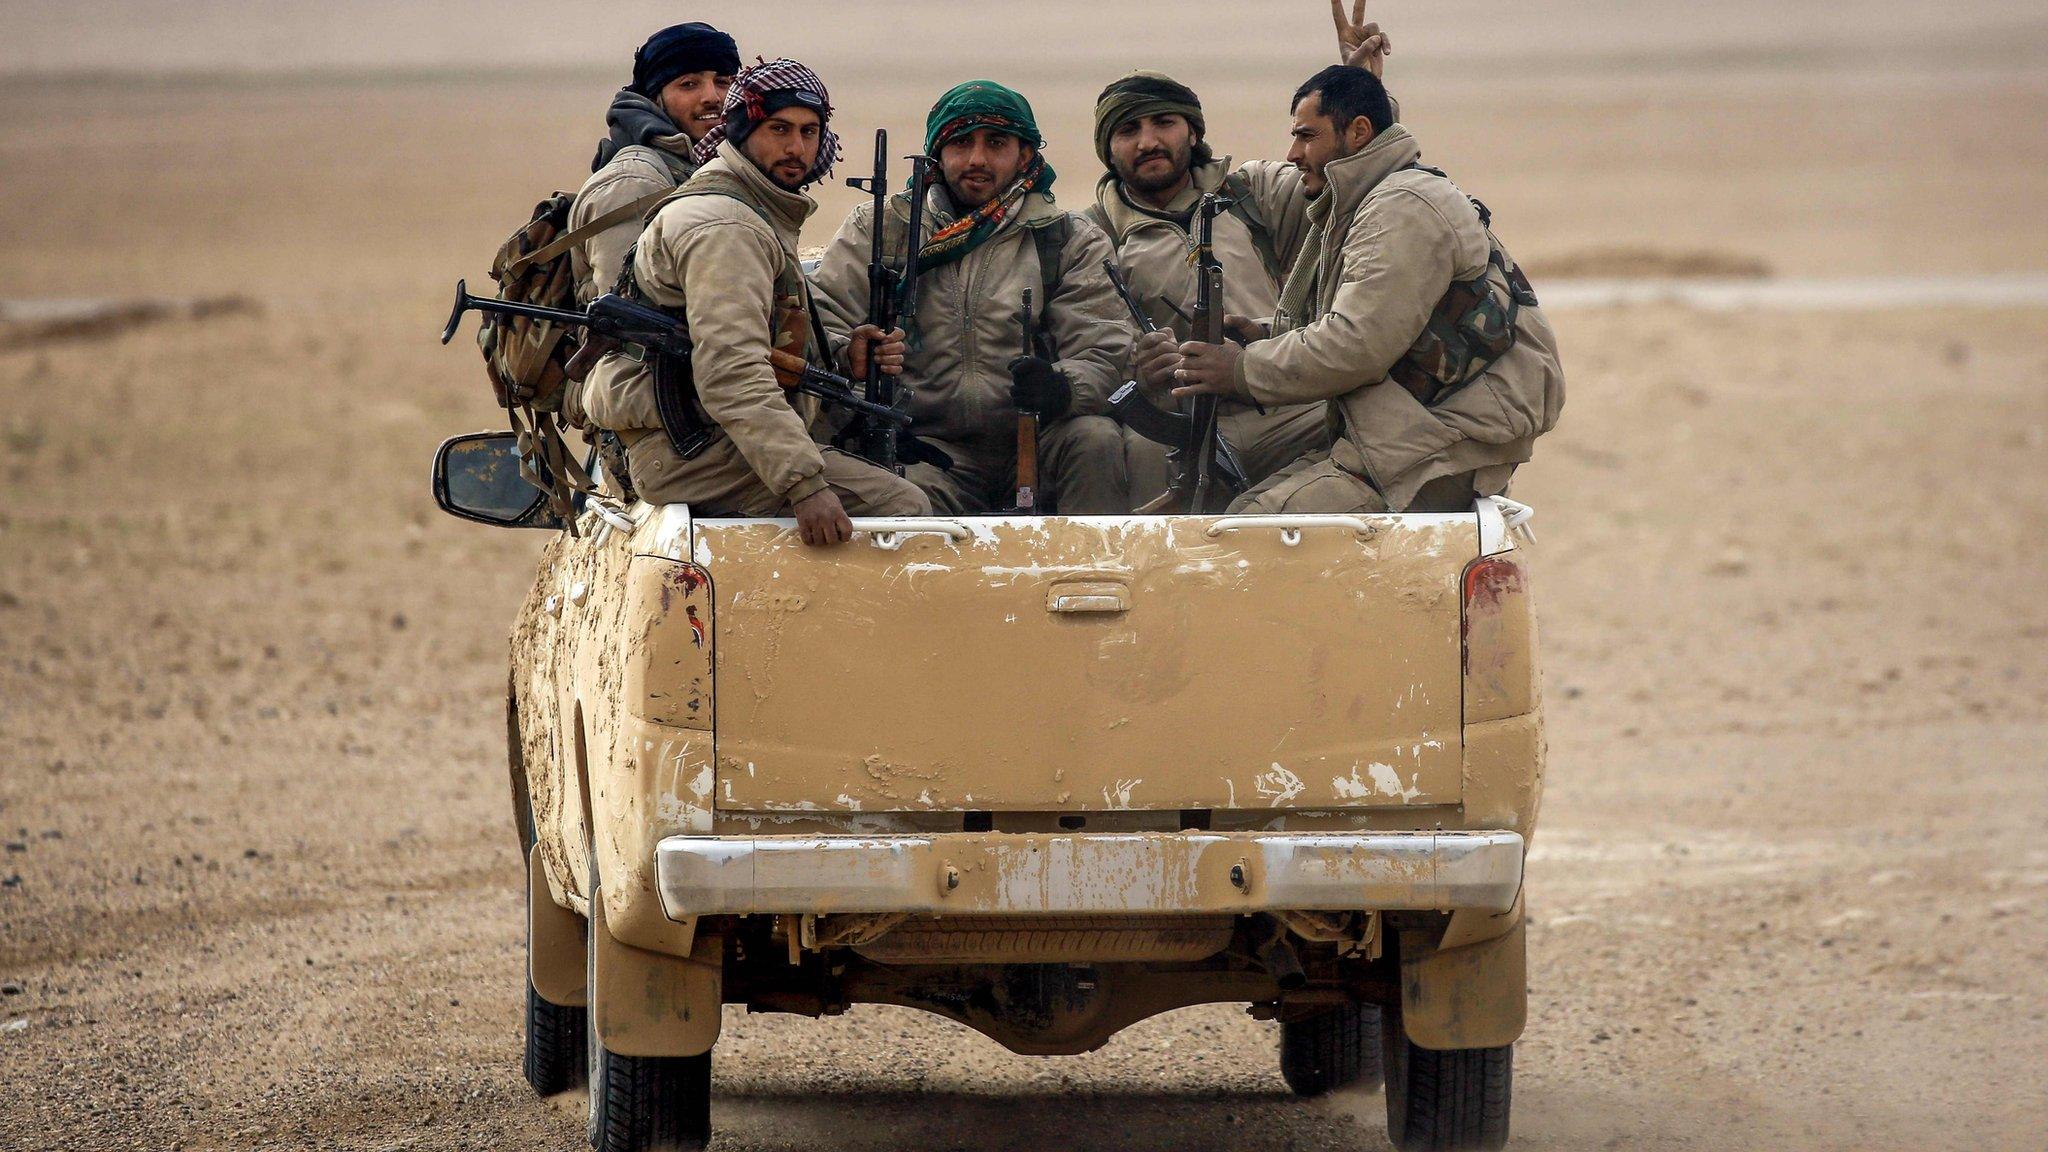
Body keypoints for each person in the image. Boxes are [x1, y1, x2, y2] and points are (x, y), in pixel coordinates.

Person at [1169, 65, 1564, 514]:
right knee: (1238, 509)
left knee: (1254, 531)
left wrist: (1241, 370)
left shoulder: (1401, 208)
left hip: (1439, 443)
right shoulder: (1368, 202)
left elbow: (1356, 344)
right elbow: (1364, 323)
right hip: (1409, 430)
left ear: (1358, 132)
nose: (1293, 153)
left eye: (1307, 136)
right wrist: (1263, 338)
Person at [578, 59, 930, 544]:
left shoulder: (750, 210)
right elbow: (732, 372)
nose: (796, 147)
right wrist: (804, 486)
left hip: (698, 437)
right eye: (778, 129)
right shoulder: (727, 227)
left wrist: (846, 355)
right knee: (903, 507)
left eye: (809, 132)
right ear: (742, 132)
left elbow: (763, 336)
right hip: (690, 449)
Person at [1106, 1, 1394, 506]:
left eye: (1163, 123)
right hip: (1175, 424)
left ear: (1192, 131)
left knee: (1377, 431)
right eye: (1128, 131)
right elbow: (1082, 344)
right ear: (1108, 149)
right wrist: (1137, 369)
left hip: (1282, 404)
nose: (1148, 141)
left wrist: (1359, 94)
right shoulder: (1094, 235)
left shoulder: (1251, 193)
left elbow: (1350, 181)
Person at [810, 81, 1133, 515]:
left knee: (1096, 439)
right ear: (936, 154)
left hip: (1038, 439)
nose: (977, 159)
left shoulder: (1067, 239)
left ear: (1024, 156)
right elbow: (824, 323)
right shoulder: (880, 230)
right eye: (961, 142)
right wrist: (853, 357)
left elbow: (1106, 348)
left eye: (996, 143)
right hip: (926, 449)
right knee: (900, 497)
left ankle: (1094, 577)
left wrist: (1061, 387)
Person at [568, 22, 742, 304]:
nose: (712, 97)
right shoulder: (634, 181)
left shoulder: (715, 169)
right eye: (689, 84)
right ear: (655, 98)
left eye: (723, 82)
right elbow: (627, 320)